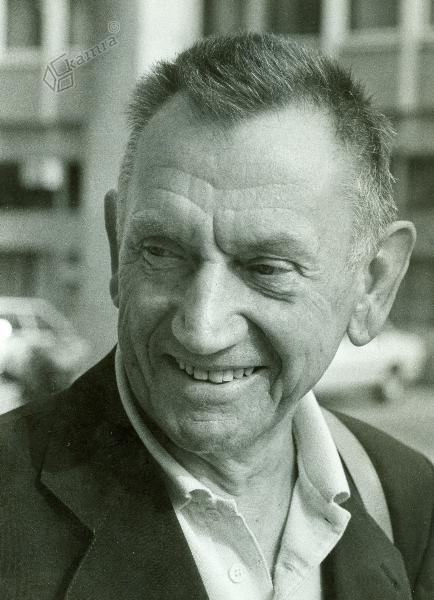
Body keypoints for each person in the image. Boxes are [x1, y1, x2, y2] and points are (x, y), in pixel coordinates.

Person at [1, 33, 433, 600]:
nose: (201, 329)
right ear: (115, 246)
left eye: (267, 268)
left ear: (373, 286)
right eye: (161, 252)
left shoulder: (408, 502)